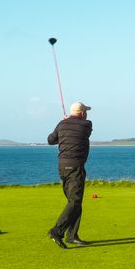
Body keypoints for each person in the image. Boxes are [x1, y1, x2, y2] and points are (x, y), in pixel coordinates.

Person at [47, 102, 93, 248]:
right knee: (74, 201)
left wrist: (65, 123)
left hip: (62, 166)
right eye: (85, 111)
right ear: (81, 113)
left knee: (74, 202)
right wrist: (67, 122)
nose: (86, 113)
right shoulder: (86, 125)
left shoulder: (62, 124)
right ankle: (57, 231)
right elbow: (86, 130)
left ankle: (72, 236)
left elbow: (51, 140)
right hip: (75, 166)